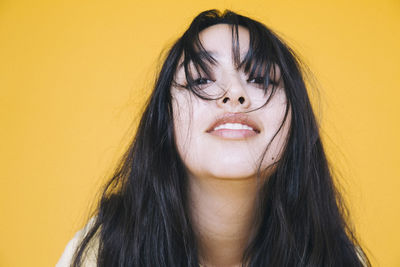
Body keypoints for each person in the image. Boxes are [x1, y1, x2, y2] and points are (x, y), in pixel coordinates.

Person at [57, 9, 370, 267]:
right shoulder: (100, 255)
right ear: (165, 119)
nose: (234, 93)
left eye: (260, 78)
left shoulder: (339, 260)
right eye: (201, 79)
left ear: (297, 124)